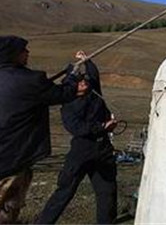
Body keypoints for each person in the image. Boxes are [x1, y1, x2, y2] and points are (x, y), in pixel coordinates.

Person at [0, 35, 77, 224]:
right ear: (13, 55)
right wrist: (73, 76)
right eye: (23, 50)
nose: (28, 53)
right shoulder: (30, 81)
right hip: (3, 169)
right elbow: (64, 93)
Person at [36, 52, 118, 224]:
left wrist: (86, 60)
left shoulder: (94, 91)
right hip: (82, 150)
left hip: (102, 149)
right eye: (79, 81)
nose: (84, 82)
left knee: (107, 191)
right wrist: (102, 127)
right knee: (65, 191)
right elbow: (78, 128)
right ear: (72, 87)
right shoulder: (68, 106)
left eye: (84, 80)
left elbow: (93, 74)